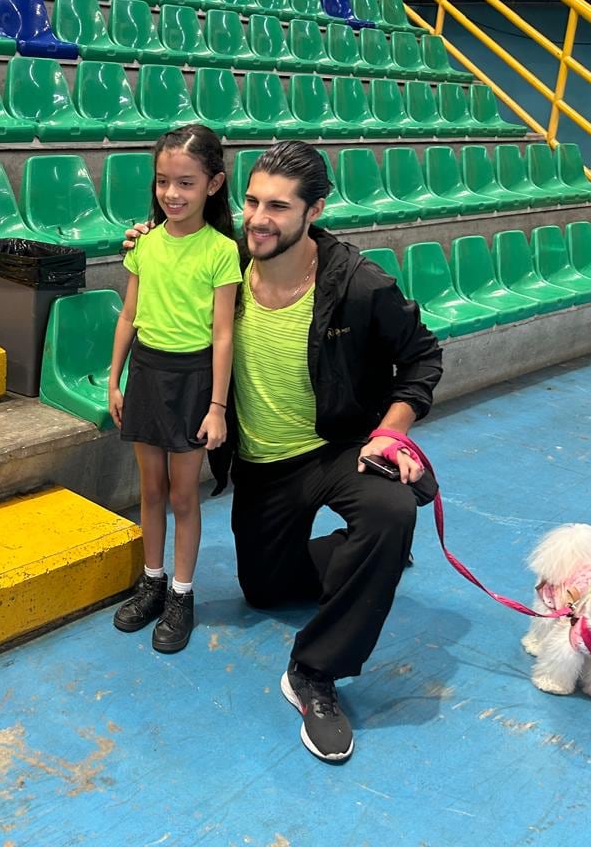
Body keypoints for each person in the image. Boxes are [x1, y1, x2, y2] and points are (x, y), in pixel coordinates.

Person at [124, 140, 443, 763]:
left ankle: (314, 674)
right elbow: (171, 261)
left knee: (390, 514)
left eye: (277, 206)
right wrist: (148, 240)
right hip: (263, 469)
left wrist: (391, 431)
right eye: (250, 201)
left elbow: (423, 357)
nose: (258, 218)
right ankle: (366, 560)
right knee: (264, 591)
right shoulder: (228, 261)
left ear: (313, 209)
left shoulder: (357, 284)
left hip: (337, 449)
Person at [109, 125, 240, 654]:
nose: (171, 194)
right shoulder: (145, 244)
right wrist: (113, 380)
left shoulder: (222, 251)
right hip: (145, 375)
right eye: (163, 181)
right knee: (152, 491)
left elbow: (224, 335)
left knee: (184, 495)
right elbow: (130, 315)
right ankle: (153, 582)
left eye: (185, 183)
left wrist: (217, 407)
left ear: (213, 184)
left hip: (193, 382)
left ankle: (182, 595)